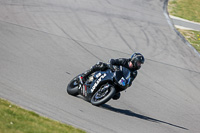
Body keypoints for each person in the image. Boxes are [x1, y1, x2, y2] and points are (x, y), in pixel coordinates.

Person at [79, 53, 145, 100]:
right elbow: (112, 61)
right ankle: (84, 76)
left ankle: (101, 94)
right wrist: (111, 66)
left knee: (117, 96)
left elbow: (130, 81)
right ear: (134, 60)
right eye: (138, 63)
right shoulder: (124, 61)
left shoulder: (134, 73)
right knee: (100, 65)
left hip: (118, 79)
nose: (139, 65)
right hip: (111, 71)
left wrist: (127, 84)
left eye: (140, 64)